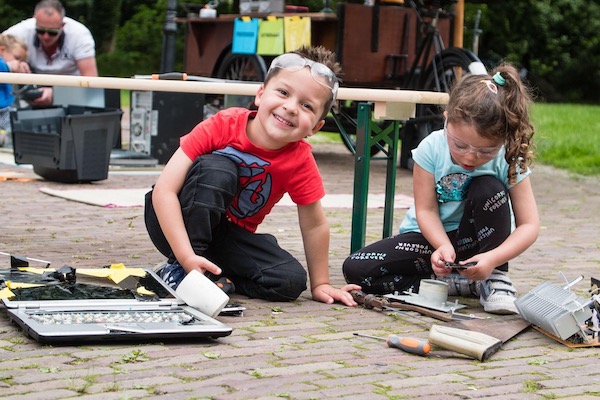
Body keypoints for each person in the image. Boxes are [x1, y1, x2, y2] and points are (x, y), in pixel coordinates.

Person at [145, 46, 360, 306]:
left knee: (289, 281)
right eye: (283, 92)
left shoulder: (300, 158)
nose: (291, 107)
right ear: (260, 94)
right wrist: (185, 256)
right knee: (218, 170)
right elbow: (164, 191)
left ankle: (215, 278)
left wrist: (321, 283)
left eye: (306, 105)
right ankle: (178, 270)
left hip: (227, 238)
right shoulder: (222, 125)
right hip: (173, 219)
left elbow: (314, 224)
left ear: (315, 127)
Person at [342, 63, 539, 315]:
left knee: (488, 186)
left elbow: (529, 225)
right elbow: (425, 211)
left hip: (479, 245)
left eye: (486, 151)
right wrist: (441, 246)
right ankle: (453, 284)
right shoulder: (430, 148)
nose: (470, 157)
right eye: (460, 145)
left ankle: (494, 281)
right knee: (356, 268)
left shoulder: (510, 157)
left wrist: (493, 260)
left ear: (504, 140)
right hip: (430, 239)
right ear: (446, 119)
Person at [3, 0, 98, 107]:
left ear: (62, 26)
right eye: (40, 30)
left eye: (52, 32)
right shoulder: (21, 31)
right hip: (31, 88)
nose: (46, 36)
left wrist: (56, 94)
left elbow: (91, 83)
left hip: (71, 90)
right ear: (34, 21)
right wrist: (15, 63)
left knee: (96, 100)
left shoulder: (80, 36)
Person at [0, 34, 29, 146]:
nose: (18, 63)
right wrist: (9, 66)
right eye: (17, 58)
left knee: (12, 132)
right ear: (2, 50)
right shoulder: (3, 65)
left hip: (6, 110)